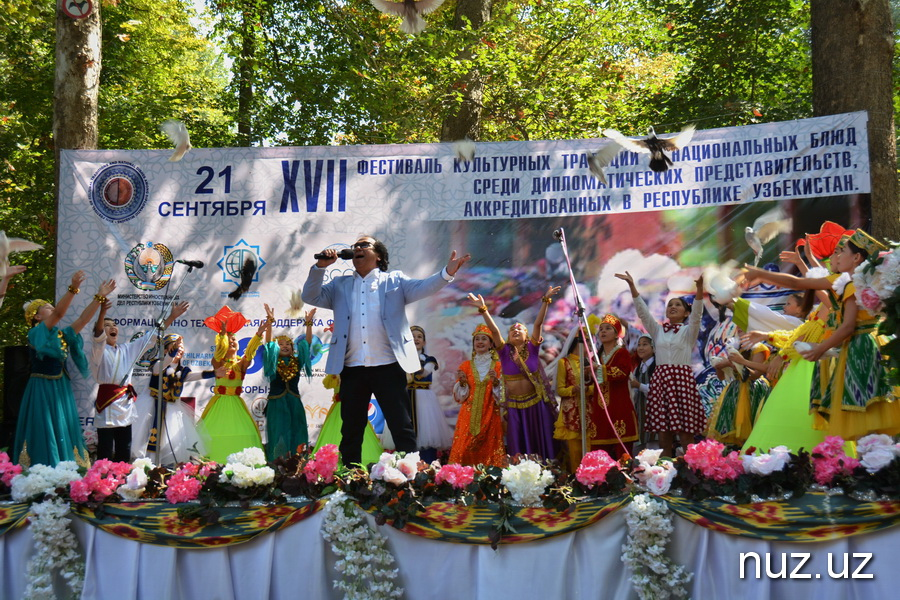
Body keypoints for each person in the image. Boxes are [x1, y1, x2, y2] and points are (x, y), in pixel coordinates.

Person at [301, 236, 470, 466]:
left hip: (389, 367)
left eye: (364, 245)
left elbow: (424, 287)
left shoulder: (394, 281)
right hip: (352, 368)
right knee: (351, 428)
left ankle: (409, 474)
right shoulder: (340, 285)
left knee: (401, 425)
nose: (357, 248)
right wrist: (320, 267)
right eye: (355, 246)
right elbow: (310, 296)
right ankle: (352, 476)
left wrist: (447, 273)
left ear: (378, 255)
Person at [743, 229, 900, 440]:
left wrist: (820, 348)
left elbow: (847, 327)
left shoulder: (854, 286)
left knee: (865, 409)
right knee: (865, 410)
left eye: (842, 251)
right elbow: (798, 283)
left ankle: (877, 463)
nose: (837, 256)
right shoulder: (849, 282)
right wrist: (762, 274)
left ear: (856, 258)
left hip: (861, 348)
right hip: (854, 347)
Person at [14, 272, 116, 466]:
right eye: (47, 307)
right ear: (36, 316)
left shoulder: (61, 335)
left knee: (62, 427)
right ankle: (42, 467)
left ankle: (64, 468)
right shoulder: (36, 333)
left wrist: (99, 296)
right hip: (42, 388)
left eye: (52, 306)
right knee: (45, 426)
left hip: (60, 386)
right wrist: (73, 288)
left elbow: (84, 320)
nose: (52, 308)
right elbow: (60, 313)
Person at [615, 272, 706, 457]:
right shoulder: (657, 331)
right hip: (661, 381)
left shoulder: (689, 331)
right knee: (663, 434)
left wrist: (699, 290)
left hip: (682, 382)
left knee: (686, 434)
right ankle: (664, 470)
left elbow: (697, 314)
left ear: (686, 312)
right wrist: (633, 286)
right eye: (670, 305)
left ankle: (690, 471)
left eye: (677, 305)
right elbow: (643, 312)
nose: (672, 307)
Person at [468, 286, 560, 461]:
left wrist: (545, 300)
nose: (516, 330)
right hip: (514, 407)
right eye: (512, 330)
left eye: (521, 329)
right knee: (519, 449)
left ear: (527, 336)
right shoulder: (504, 352)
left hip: (537, 404)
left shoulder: (533, 349)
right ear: (508, 337)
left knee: (542, 443)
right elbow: (494, 331)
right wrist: (483, 309)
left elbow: (539, 323)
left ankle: (549, 472)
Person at [91, 300, 189, 462]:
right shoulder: (98, 350)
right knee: (106, 449)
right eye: (107, 326)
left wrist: (172, 316)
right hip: (107, 402)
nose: (112, 327)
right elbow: (98, 335)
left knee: (124, 448)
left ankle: (122, 477)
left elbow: (151, 336)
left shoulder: (127, 349)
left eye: (114, 325)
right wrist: (102, 312)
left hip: (124, 402)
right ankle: (103, 480)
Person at [197, 306, 268, 463]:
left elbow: (249, 353)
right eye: (229, 341)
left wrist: (258, 334)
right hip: (219, 403)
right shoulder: (218, 362)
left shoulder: (240, 364)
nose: (233, 342)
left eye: (234, 339)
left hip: (236, 404)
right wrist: (222, 335)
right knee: (213, 434)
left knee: (242, 434)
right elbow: (219, 353)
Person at [137, 333, 221, 464]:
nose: (179, 349)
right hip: (154, 408)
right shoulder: (157, 365)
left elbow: (195, 376)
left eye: (181, 346)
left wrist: (215, 373)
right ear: (165, 350)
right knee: (151, 438)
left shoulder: (182, 370)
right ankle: (149, 465)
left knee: (173, 441)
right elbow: (163, 365)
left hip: (172, 409)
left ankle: (168, 470)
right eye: (175, 346)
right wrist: (172, 353)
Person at [448, 323, 506, 467]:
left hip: (490, 413)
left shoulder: (498, 366)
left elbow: (502, 397)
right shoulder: (465, 366)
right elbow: (460, 397)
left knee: (489, 449)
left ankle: (490, 482)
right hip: (468, 415)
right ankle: (461, 481)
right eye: (477, 339)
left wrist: (496, 382)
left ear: (491, 344)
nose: (480, 342)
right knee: (465, 449)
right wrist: (462, 383)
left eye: (484, 339)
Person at [262, 304, 315, 461]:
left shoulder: (297, 362)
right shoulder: (272, 362)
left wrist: (308, 324)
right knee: (277, 431)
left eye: (288, 344)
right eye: (281, 344)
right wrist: (270, 323)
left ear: (293, 349)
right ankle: (277, 463)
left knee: (297, 431)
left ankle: (298, 462)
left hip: (293, 400)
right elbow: (268, 345)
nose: (284, 346)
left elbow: (307, 344)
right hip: (276, 402)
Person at [408, 325, 453, 462]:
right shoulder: (402, 360)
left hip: (423, 397)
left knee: (426, 431)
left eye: (419, 337)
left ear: (424, 342)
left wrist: (408, 365)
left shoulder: (429, 359)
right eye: (412, 337)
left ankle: (427, 466)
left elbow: (424, 373)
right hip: (406, 396)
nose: (416, 339)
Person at [629, 333, 656, 448]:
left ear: (653, 348)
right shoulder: (638, 368)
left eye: (645, 345)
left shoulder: (657, 366)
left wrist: (639, 385)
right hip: (641, 413)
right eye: (639, 345)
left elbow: (657, 390)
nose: (640, 348)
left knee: (654, 446)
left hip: (654, 414)